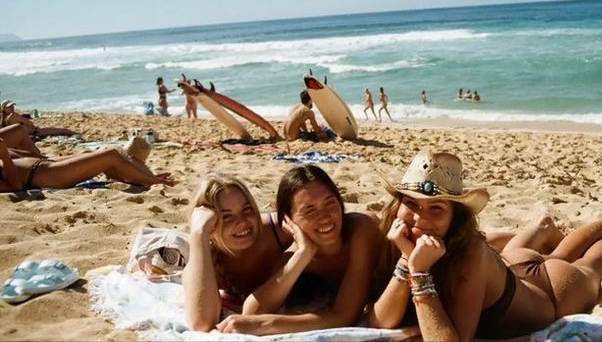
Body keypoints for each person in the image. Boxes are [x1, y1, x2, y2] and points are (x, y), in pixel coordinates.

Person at [368, 149, 602, 340]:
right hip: (511, 265)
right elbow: (379, 322)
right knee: (551, 256)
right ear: (398, 204)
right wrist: (406, 260)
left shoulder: (470, 250)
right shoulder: (400, 241)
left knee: (589, 267)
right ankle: (543, 228)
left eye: (436, 208)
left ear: (455, 217)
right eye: (411, 203)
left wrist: (419, 273)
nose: (419, 218)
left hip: (552, 291)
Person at [216, 164, 382, 335]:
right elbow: (252, 312)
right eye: (309, 210)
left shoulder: (361, 229)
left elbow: (345, 315)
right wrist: (304, 254)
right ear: (289, 220)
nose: (324, 217)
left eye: (330, 203)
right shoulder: (295, 255)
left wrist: (268, 324)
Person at [182, 174, 293, 331]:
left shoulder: (280, 231)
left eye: (247, 210)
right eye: (226, 217)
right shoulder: (206, 258)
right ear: (210, 224)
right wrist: (199, 233)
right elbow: (202, 323)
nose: (241, 222)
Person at [0, 138, 175, 192]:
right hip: (46, 176)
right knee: (110, 156)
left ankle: (140, 180)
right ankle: (153, 181)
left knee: (99, 157)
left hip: (45, 164)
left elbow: (21, 157)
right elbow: (15, 187)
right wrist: (5, 156)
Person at [0, 101, 76, 139]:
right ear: (4, 108)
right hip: (36, 132)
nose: (12, 108)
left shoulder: (3, 119)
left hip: (29, 135)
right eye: (9, 107)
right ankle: (77, 134)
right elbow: (30, 123)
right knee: (63, 131)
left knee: (60, 132)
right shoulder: (13, 115)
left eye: (12, 106)